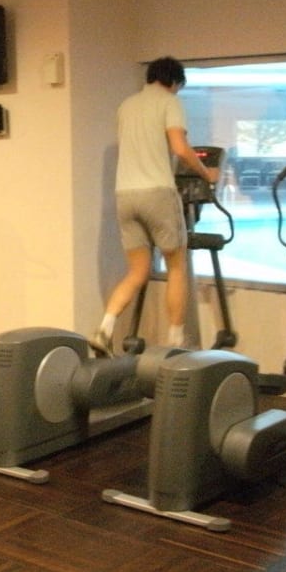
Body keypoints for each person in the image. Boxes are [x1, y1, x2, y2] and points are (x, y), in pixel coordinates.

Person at [91, 57, 219, 355]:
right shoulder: (169, 102)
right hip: (157, 192)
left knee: (137, 271)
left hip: (125, 195)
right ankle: (176, 341)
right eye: (178, 86)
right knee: (176, 266)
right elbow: (179, 148)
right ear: (174, 81)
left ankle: (104, 328)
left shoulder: (126, 106)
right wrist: (206, 173)